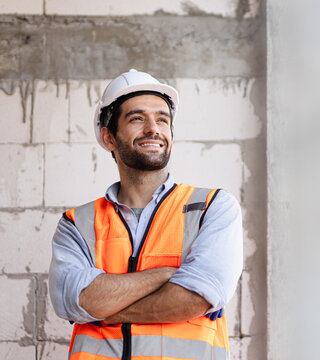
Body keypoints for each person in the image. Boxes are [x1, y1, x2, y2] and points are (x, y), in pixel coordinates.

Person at [49, 69, 243, 360]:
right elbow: (75, 299)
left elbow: (195, 298)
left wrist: (107, 312)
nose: (154, 128)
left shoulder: (212, 208)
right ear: (109, 138)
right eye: (137, 118)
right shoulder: (77, 224)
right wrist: (166, 274)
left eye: (162, 119)